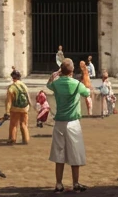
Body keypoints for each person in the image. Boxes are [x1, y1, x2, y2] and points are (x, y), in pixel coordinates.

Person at [48, 58, 90, 193]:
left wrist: (54, 75)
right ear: (72, 70)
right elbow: (87, 92)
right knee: (75, 154)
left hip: (59, 122)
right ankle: (75, 183)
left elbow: (49, 85)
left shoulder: (56, 83)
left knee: (59, 154)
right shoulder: (77, 84)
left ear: (61, 70)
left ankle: (59, 184)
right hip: (73, 122)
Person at [5, 70, 31, 144]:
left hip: (15, 108)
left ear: (12, 77)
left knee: (13, 124)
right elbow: (28, 97)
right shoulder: (24, 85)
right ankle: (26, 139)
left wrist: (7, 112)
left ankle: (12, 138)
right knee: (24, 124)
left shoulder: (11, 87)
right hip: (25, 108)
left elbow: (9, 101)